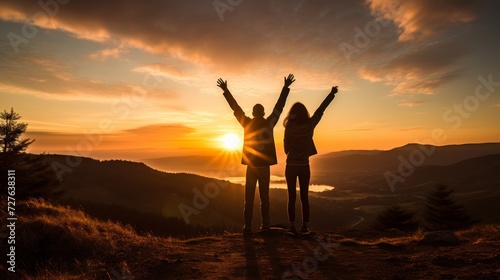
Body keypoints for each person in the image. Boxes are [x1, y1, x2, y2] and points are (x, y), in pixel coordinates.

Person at [217, 74, 295, 234]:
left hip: (251, 166)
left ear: (253, 113)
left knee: (249, 199)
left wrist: (226, 91)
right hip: (264, 166)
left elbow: (235, 108)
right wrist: (286, 88)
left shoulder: (247, 123)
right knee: (264, 198)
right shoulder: (269, 123)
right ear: (263, 112)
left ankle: (247, 227)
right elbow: (279, 107)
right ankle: (265, 225)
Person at [283, 85, 338, 235]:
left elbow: (285, 149)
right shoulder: (309, 124)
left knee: (291, 197)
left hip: (290, 166)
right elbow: (321, 110)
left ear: (292, 114)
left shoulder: (288, 128)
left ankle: (292, 227)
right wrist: (331, 94)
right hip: (304, 166)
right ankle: (305, 227)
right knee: (304, 197)